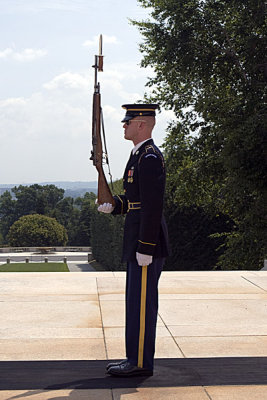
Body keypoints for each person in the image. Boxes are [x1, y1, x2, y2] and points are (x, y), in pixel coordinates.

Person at [98, 103, 169, 377]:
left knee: (141, 306)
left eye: (128, 121)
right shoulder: (138, 156)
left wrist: (146, 247)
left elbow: (153, 206)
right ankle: (134, 357)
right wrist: (115, 205)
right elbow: (136, 202)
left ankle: (139, 363)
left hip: (145, 243)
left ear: (142, 123)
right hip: (139, 238)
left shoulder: (149, 158)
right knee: (135, 303)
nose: (124, 125)